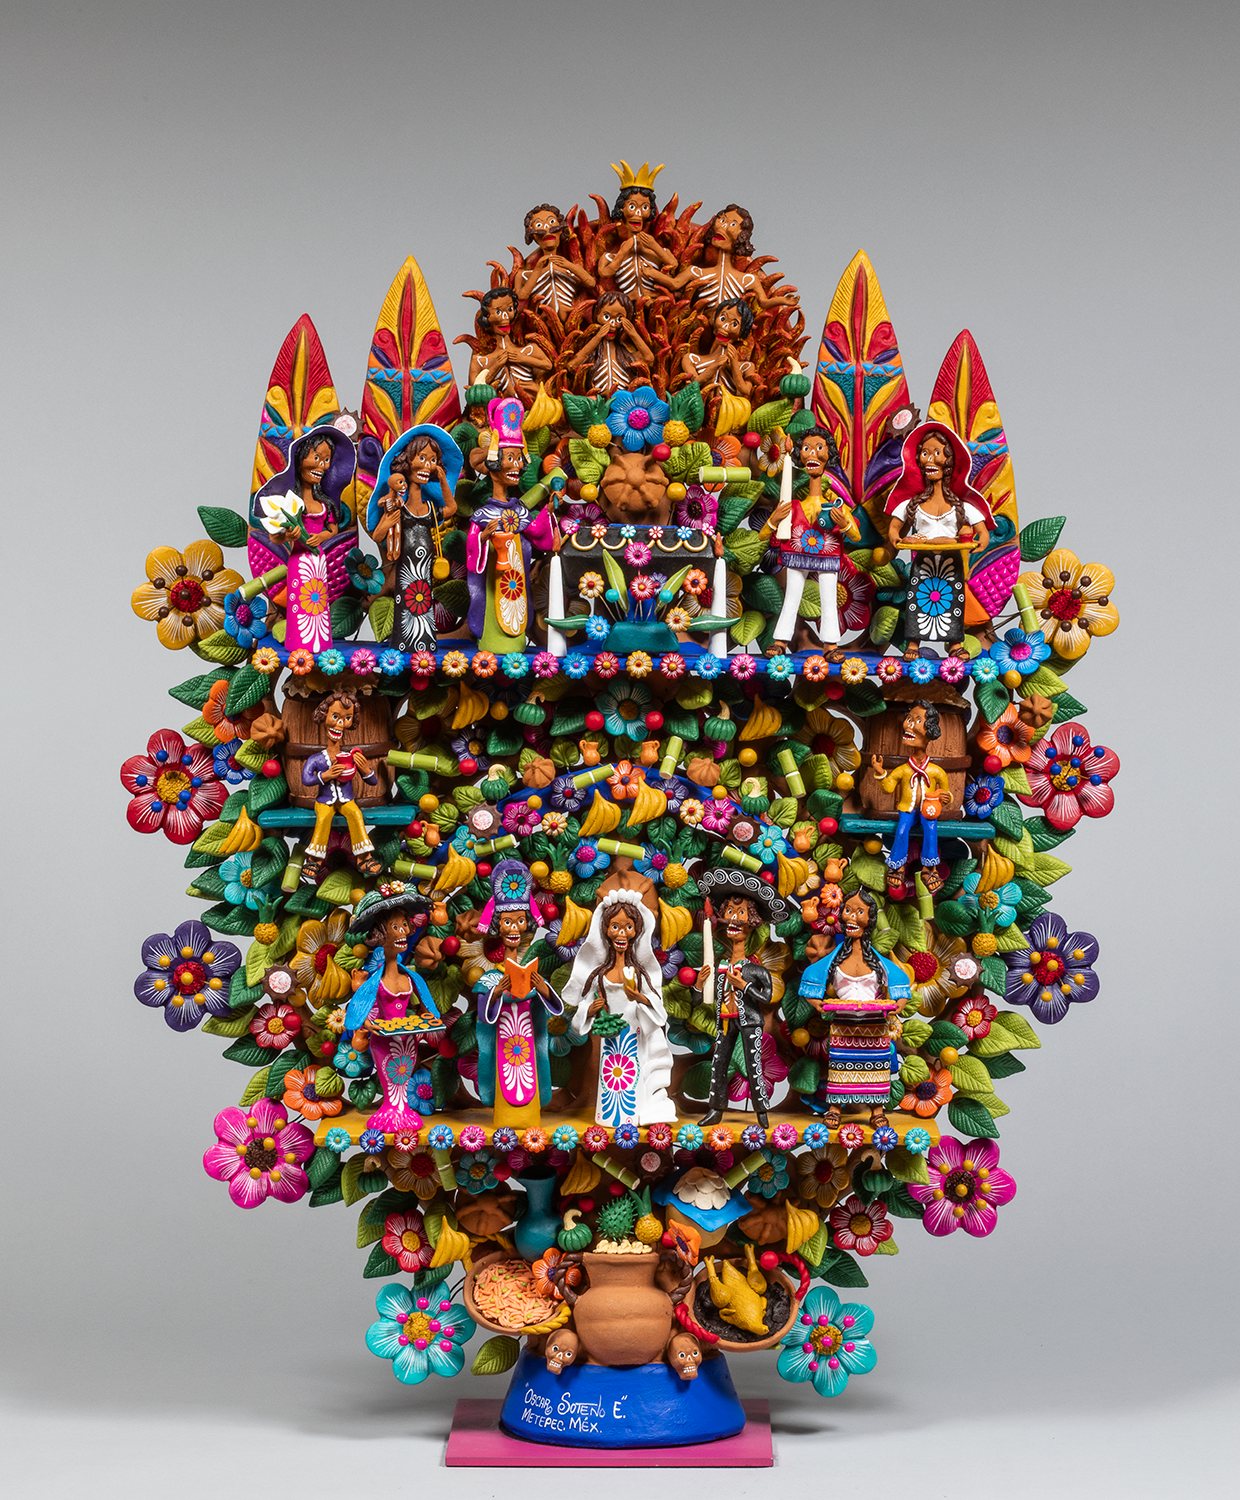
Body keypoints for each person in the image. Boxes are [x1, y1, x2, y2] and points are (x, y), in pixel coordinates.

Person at [798, 889, 909, 1131]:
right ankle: (835, 1109)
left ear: (870, 919)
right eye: (848, 910)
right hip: (843, 1022)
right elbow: (813, 976)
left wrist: (900, 1000)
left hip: (874, 1025)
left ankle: (877, 1111)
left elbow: (898, 977)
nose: (852, 917)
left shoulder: (877, 962)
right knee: (840, 1067)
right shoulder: (834, 960)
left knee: (876, 1069)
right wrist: (814, 1001)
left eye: (859, 912)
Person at [564, 891, 676, 1127]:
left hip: (634, 1035)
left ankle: (634, 1115)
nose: (621, 934)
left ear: (636, 931)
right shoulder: (600, 974)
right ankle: (608, 1115)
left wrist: (640, 998)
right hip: (609, 1038)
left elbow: (658, 1007)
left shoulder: (639, 974)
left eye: (628, 927)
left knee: (633, 1075)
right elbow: (583, 1006)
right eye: (615, 927)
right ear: (606, 930)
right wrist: (590, 1010)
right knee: (610, 1076)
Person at [883, 421, 993, 660]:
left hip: (950, 564)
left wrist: (979, 542)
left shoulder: (961, 507)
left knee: (952, 601)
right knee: (917, 600)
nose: (930, 459)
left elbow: (983, 532)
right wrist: (901, 540)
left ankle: (955, 644)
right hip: (922, 564)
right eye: (925, 453)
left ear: (949, 461)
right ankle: (913, 643)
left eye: (936, 453)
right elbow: (894, 529)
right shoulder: (912, 505)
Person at [343, 884, 445, 1133]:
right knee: (390, 1075)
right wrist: (368, 1025)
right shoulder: (375, 981)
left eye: (405, 925)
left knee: (404, 1073)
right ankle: (391, 1109)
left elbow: (426, 1005)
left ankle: (402, 1109)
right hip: (384, 1040)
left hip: (407, 1038)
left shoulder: (410, 977)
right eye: (395, 927)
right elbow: (359, 1008)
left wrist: (426, 1018)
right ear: (380, 934)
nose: (404, 932)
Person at [693, 868, 790, 1130]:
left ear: (752, 921)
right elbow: (700, 999)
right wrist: (700, 985)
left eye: (741, 913)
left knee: (753, 1064)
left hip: (750, 1021)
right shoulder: (720, 966)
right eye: (730, 912)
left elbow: (767, 997)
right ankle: (715, 1109)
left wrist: (744, 986)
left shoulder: (756, 970)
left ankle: (761, 1111)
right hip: (725, 1020)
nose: (734, 919)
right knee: (718, 1063)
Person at [251, 427, 357, 654]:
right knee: (301, 602)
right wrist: (288, 536)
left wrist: (322, 536)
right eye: (317, 458)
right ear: (300, 460)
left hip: (318, 562)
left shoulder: (324, 504)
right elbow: (274, 537)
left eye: (326, 460)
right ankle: (299, 641)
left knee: (318, 602)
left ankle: (319, 642)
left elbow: (332, 529)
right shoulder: (289, 503)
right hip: (299, 562)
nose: (322, 466)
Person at [474, 859, 564, 1126]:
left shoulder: (531, 972)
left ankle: (529, 1116)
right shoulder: (491, 979)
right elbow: (484, 1016)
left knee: (528, 1076)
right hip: (503, 1041)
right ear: (497, 926)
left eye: (520, 921)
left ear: (527, 924)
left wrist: (543, 989)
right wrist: (496, 993)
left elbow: (554, 1007)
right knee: (505, 1078)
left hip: (527, 1040)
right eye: (507, 922)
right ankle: (504, 1116)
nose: (514, 928)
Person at [760, 423, 860, 656]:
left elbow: (856, 535)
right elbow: (763, 535)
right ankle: (781, 641)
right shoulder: (793, 506)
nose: (812, 453)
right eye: (806, 448)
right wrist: (774, 520)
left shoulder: (834, 506)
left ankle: (830, 645)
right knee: (791, 597)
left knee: (829, 598)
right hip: (797, 555)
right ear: (799, 455)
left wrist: (844, 523)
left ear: (828, 454)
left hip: (827, 557)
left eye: (819, 448)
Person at [465, 397, 557, 652]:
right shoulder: (484, 514)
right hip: (492, 584)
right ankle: (491, 639)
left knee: (516, 610)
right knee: (493, 611)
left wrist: (548, 513)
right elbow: (472, 550)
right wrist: (483, 537)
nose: (517, 466)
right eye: (510, 458)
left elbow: (538, 535)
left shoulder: (519, 511)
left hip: (518, 582)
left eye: (519, 459)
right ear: (494, 463)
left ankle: (515, 640)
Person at [366, 424, 461, 652]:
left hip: (424, 574)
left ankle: (424, 642)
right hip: (406, 572)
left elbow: (451, 507)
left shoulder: (429, 509)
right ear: (407, 462)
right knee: (407, 606)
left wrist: (443, 480)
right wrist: (388, 521)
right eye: (422, 458)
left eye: (433, 460)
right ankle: (404, 642)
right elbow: (377, 535)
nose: (428, 465)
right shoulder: (400, 508)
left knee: (424, 604)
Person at [868, 700, 952, 896]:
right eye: (909, 719)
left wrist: (943, 796)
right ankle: (897, 867)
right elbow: (888, 788)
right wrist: (880, 773)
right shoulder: (903, 770)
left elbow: (947, 794)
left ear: (930, 730)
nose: (908, 725)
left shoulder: (936, 771)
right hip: (907, 810)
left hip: (928, 810)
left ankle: (929, 870)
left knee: (931, 829)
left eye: (917, 720)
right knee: (902, 829)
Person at [300, 691, 382, 884]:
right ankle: (314, 860)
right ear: (324, 716)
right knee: (323, 818)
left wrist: (365, 769)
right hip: (324, 801)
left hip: (346, 799)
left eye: (346, 718)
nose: (339, 724)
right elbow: (306, 779)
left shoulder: (350, 757)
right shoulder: (317, 759)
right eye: (335, 717)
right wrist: (325, 776)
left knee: (355, 814)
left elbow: (373, 782)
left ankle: (364, 858)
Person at [651, 203, 797, 312]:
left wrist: (783, 300)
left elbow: (763, 302)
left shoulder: (748, 280)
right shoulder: (696, 272)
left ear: (742, 236)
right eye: (722, 220)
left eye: (732, 224)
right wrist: (649, 271)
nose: (722, 227)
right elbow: (674, 283)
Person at [597, 170, 677, 302]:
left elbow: (673, 264)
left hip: (655, 301)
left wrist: (654, 246)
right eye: (632, 206)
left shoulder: (657, 252)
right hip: (626, 304)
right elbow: (604, 273)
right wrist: (622, 252)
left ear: (650, 211)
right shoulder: (609, 257)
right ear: (621, 208)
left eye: (644, 207)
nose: (638, 213)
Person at [466, 286, 553, 405]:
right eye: (498, 312)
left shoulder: (529, 349)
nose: (505, 317)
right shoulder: (481, 361)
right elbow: (474, 392)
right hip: (503, 410)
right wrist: (495, 366)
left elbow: (548, 365)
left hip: (537, 404)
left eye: (509, 309)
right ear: (487, 318)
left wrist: (522, 358)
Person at [512, 203, 596, 318]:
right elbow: (522, 296)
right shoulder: (523, 275)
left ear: (561, 229)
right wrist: (537, 270)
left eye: (551, 222)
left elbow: (591, 283)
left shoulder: (570, 270)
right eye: (539, 225)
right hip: (545, 320)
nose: (547, 228)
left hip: (572, 317)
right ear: (532, 235)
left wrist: (568, 265)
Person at [566, 290, 655, 396]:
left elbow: (649, 358)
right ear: (597, 315)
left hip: (625, 400)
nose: (612, 324)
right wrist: (597, 338)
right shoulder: (593, 356)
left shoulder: (626, 356)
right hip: (599, 400)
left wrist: (633, 334)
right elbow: (571, 366)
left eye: (619, 319)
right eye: (606, 317)